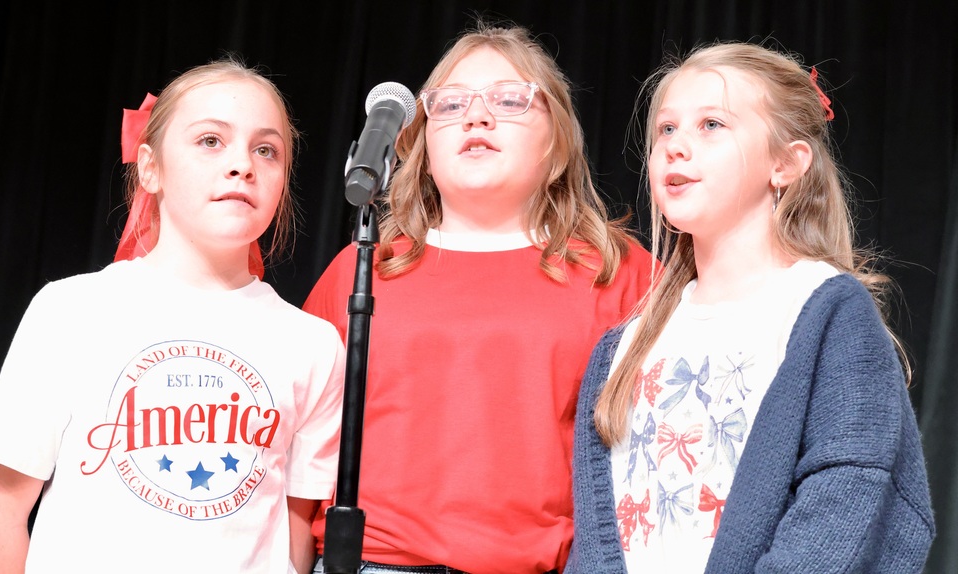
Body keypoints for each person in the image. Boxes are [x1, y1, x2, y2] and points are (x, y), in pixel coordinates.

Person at [0, 57, 345, 574]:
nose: (243, 165)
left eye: (266, 149)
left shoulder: (313, 345)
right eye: (210, 140)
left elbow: (295, 531)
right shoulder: (71, 310)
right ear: (150, 166)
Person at [569, 41, 935, 573]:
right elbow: (596, 542)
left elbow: (847, 490)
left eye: (711, 125)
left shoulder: (825, 311)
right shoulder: (623, 346)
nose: (676, 146)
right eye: (666, 129)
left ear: (786, 163)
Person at [305, 22, 654, 574]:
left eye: (510, 100)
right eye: (450, 105)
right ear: (420, 142)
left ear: (558, 139)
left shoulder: (622, 271)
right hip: (375, 564)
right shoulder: (363, 268)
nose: (477, 117)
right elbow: (301, 454)